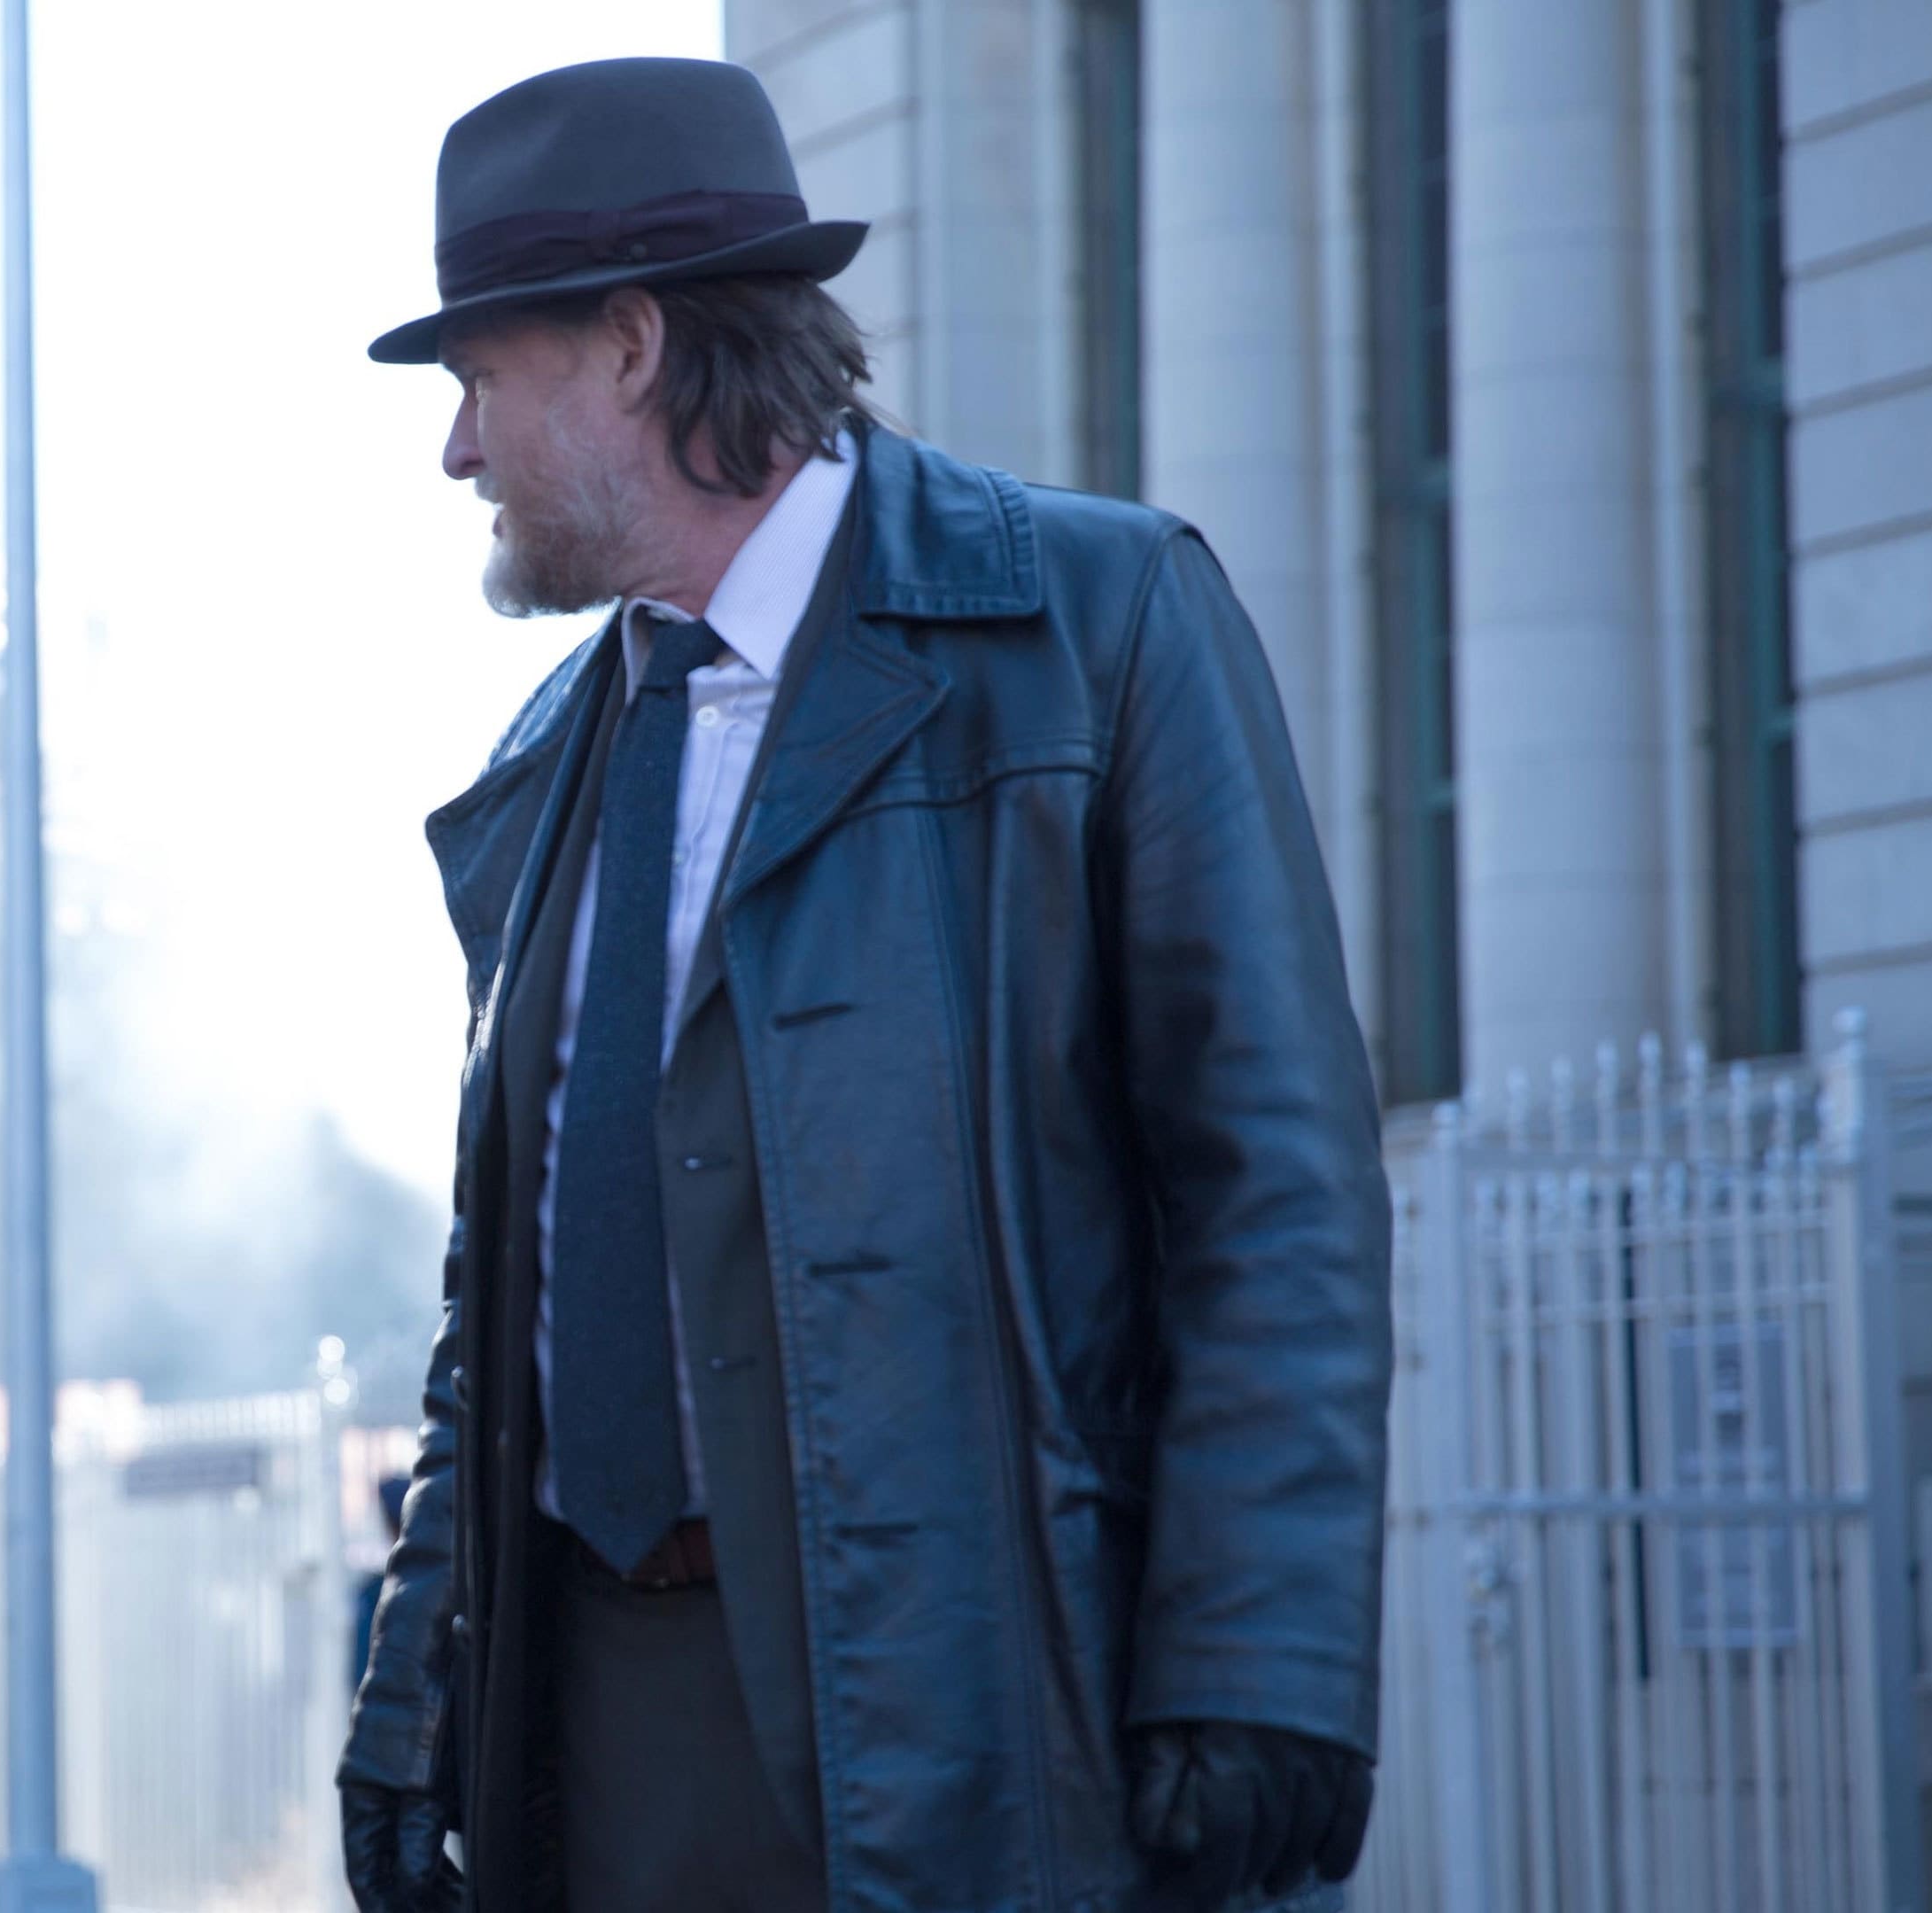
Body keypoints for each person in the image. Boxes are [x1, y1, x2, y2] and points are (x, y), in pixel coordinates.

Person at [338, 58, 1393, 1913]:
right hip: (594, 1724)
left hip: (984, 1707)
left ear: (633, 347)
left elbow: (1274, 1191)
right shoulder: (548, 759)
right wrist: (415, 1686)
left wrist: (1260, 1657)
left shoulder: (1100, 624)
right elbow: (500, 1295)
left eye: (480, 380)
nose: (457, 454)